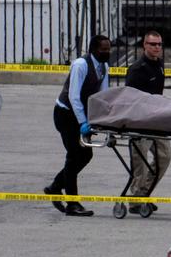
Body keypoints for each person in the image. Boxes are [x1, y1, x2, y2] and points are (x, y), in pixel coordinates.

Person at [44, 35, 111, 217]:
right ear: (93, 50)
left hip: (81, 116)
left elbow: (102, 96)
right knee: (74, 155)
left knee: (85, 155)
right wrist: (83, 122)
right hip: (65, 114)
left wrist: (101, 120)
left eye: (108, 49)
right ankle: (72, 203)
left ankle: (55, 186)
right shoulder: (80, 65)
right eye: (103, 49)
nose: (107, 52)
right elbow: (74, 96)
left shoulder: (104, 67)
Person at [124, 31, 170, 214]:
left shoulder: (159, 64)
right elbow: (129, 99)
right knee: (140, 164)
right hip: (140, 122)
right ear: (144, 45)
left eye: (159, 44)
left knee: (164, 157)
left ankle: (143, 193)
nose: (157, 47)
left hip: (156, 119)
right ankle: (135, 201)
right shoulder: (137, 69)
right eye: (152, 44)